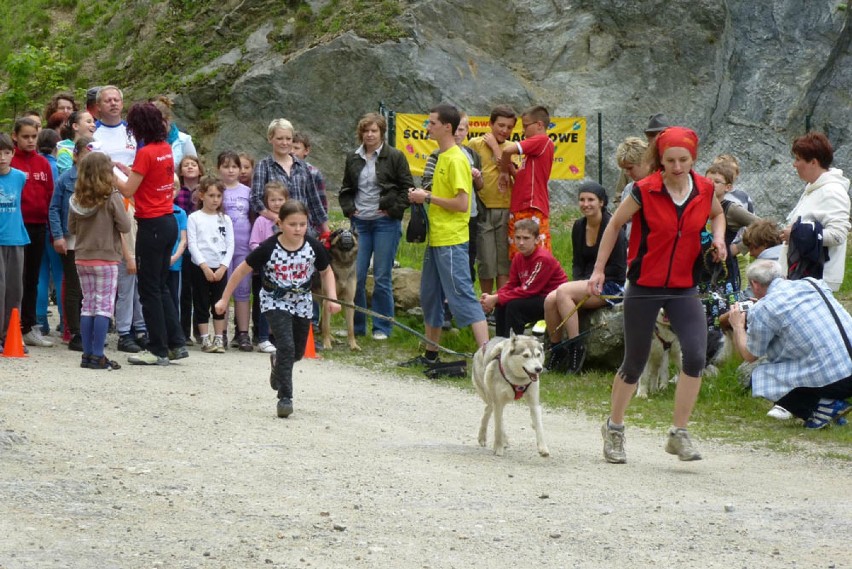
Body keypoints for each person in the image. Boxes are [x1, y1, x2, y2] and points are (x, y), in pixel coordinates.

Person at [589, 126, 727, 464]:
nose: (677, 167)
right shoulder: (643, 190)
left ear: (693, 159)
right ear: (660, 160)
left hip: (683, 287)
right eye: (670, 160)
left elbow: (718, 214)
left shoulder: (705, 189)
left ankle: (679, 434)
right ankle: (614, 429)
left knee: (695, 356)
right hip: (645, 285)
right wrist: (599, 269)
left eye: (683, 160)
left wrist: (719, 238)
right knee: (634, 362)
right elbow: (613, 225)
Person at [215, 201, 341, 418]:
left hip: (302, 301)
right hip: (275, 300)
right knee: (286, 346)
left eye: (302, 224)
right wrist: (224, 299)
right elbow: (240, 271)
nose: (298, 229)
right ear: (280, 224)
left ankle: (277, 365)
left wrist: (333, 298)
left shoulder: (313, 246)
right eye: (293, 224)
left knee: (297, 352)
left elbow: (326, 272)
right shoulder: (268, 247)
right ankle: (285, 398)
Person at [405, 103, 490, 366]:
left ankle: (488, 358)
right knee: (430, 295)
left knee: (462, 293)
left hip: (452, 241)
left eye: (432, 123)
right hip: (437, 238)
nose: (427, 127)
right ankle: (431, 354)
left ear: (447, 127)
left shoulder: (456, 159)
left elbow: (463, 204)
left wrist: (427, 196)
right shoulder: (441, 156)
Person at [728, 260, 852, 429]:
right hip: (846, 365)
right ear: (783, 276)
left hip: (837, 380)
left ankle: (821, 407)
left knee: (758, 373)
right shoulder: (813, 283)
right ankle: (827, 406)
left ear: (754, 285)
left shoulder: (764, 308)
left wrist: (737, 326)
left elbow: (750, 355)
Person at [115, 102, 187, 365]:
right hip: (168, 221)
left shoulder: (145, 152)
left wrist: (110, 173)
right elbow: (145, 179)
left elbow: (127, 191)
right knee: (161, 287)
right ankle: (176, 342)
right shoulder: (165, 148)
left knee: (148, 290)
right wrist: (128, 172)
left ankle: (157, 348)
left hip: (152, 225)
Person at [339, 112, 414, 340]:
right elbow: (345, 189)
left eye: (374, 131)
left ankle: (382, 326)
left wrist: (392, 210)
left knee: (382, 276)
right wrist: (349, 208)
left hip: (385, 224)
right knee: (357, 276)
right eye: (366, 131)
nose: (370, 135)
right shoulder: (353, 157)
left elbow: (407, 189)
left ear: (382, 133)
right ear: (360, 133)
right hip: (360, 224)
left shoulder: (395, 156)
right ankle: (357, 326)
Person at [544, 181, 627, 373]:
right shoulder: (579, 226)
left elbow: (618, 267)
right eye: (582, 199)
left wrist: (585, 284)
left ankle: (576, 347)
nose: (585, 204)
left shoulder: (613, 227)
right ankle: (557, 349)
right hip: (587, 283)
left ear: (602, 203)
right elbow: (577, 262)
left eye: (591, 200)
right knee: (550, 299)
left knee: (563, 292)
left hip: (610, 284)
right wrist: (580, 282)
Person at [68, 152, 131, 370]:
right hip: (106, 258)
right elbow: (125, 226)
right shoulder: (111, 197)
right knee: (103, 306)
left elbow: (71, 228)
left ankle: (86, 354)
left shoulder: (76, 199)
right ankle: (98, 355)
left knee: (88, 305)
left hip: (82, 257)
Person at [779, 132, 850, 291]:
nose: (794, 164)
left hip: (817, 279)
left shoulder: (832, 192)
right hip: (803, 276)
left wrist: (796, 234)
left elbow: (838, 235)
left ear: (813, 162)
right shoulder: (814, 189)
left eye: (798, 159)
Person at [480, 218, 566, 338]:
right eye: (518, 238)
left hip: (552, 299)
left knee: (514, 306)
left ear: (536, 240)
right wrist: (494, 298)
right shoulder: (518, 257)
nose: (521, 242)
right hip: (534, 295)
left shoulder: (542, 258)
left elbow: (528, 290)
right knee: (502, 305)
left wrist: (496, 298)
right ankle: (501, 343)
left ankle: (514, 345)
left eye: (526, 238)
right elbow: (512, 284)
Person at [49, 137, 96, 357]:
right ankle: (75, 332)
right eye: (85, 156)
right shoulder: (66, 179)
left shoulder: (100, 181)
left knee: (93, 288)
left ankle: (92, 329)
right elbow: (54, 208)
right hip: (72, 239)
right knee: (75, 286)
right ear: (76, 155)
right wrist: (58, 236)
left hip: (95, 240)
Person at [12, 117, 55, 348]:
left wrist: (50, 227)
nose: (30, 141)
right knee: (14, 279)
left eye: (33, 137)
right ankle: (11, 326)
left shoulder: (43, 164)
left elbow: (49, 195)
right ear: (15, 137)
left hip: (38, 226)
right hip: (16, 227)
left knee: (32, 278)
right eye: (25, 137)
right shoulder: (11, 163)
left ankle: (28, 327)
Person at [466, 105, 517, 297]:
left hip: (505, 208)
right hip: (484, 208)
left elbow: (508, 168)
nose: (504, 130)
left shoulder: (511, 148)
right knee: (487, 260)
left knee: (503, 262)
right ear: (490, 124)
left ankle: (500, 303)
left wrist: (496, 148)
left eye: (509, 127)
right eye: (500, 125)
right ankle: (486, 303)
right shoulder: (475, 144)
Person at [250, 118, 329, 237]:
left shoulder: (302, 166)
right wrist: (276, 217)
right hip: (276, 231)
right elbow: (256, 199)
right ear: (270, 139)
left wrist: (326, 232)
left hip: (304, 230)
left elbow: (314, 200)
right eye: (279, 138)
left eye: (288, 139)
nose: (284, 143)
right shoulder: (263, 166)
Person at [499, 106, 555, 258]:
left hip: (531, 206)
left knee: (537, 256)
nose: (523, 131)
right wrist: (510, 168)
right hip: (520, 206)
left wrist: (503, 172)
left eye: (525, 126)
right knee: (519, 257)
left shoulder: (542, 140)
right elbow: (523, 180)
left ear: (539, 125)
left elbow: (506, 151)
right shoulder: (531, 154)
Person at [188, 177, 234, 354]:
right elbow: (192, 244)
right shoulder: (194, 218)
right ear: (201, 196)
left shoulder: (225, 219)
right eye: (211, 195)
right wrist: (204, 266)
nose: (215, 199)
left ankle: (219, 337)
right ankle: (205, 338)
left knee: (219, 303)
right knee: (201, 302)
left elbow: (230, 244)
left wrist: (223, 266)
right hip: (201, 267)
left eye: (219, 196)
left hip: (220, 267)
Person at [216, 150, 254, 351]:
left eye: (234, 167)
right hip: (221, 249)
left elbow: (254, 217)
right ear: (218, 169)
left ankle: (243, 333)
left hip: (243, 247)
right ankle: (220, 332)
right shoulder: (216, 191)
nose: (230, 171)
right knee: (223, 290)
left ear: (240, 169)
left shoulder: (247, 192)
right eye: (226, 166)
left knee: (243, 291)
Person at [704, 162, 758, 291]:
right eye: (707, 180)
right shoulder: (698, 204)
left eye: (717, 182)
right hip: (701, 269)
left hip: (723, 270)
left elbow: (761, 226)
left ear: (728, 187)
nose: (711, 184)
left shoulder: (731, 209)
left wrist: (740, 247)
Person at [249, 180, 289, 353]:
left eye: (280, 199)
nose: (277, 203)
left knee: (283, 304)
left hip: (286, 269)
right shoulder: (261, 222)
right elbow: (253, 243)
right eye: (273, 200)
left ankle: (279, 337)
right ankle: (263, 337)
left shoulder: (289, 222)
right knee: (266, 303)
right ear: (266, 202)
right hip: (266, 269)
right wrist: (266, 256)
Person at [35, 128, 65, 342]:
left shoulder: (37, 165)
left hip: (38, 226)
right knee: (61, 274)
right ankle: (66, 322)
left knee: (40, 275)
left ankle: (40, 322)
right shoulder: (56, 168)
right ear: (57, 145)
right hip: (55, 228)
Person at [0, 133, 29, 351]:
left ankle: (12, 333)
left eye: (7, 153)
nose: (2, 157)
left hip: (16, 237)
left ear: (13, 154)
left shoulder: (19, 177)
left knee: (14, 289)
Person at [175, 155, 204, 345]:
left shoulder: (205, 191)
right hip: (183, 245)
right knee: (184, 291)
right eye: (186, 165)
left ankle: (201, 331)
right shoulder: (177, 192)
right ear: (181, 170)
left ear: (200, 169)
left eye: (194, 164)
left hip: (202, 246)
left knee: (200, 291)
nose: (190, 167)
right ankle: (184, 332)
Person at [93, 86, 136, 167]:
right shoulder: (91, 131)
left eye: (116, 100)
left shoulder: (134, 130)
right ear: (98, 106)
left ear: (122, 104)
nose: (113, 103)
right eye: (108, 101)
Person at [151, 96, 197, 168]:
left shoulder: (184, 140)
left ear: (168, 119)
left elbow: (194, 166)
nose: (155, 127)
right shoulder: (145, 141)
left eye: (159, 122)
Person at [167, 185, 188, 316]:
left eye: (173, 187)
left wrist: (174, 257)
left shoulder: (180, 213)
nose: (171, 190)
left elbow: (183, 240)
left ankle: (174, 331)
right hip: (156, 263)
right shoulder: (153, 211)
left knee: (174, 297)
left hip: (174, 263)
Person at [57, 110, 97, 175]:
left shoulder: (96, 147)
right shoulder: (65, 151)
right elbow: (68, 177)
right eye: (89, 122)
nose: (93, 125)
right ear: (75, 126)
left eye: (93, 122)